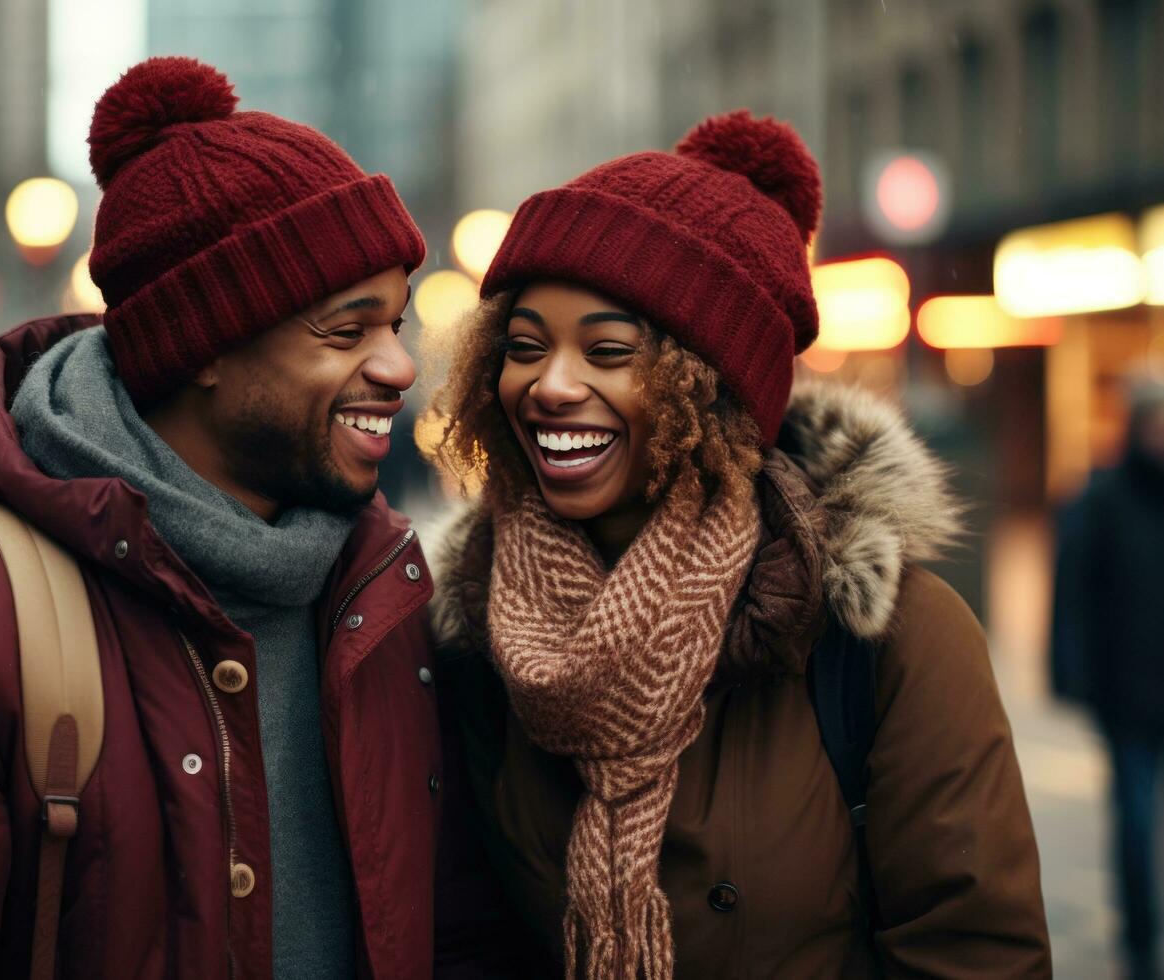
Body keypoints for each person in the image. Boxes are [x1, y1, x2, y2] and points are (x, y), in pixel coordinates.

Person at [0, 57, 441, 979]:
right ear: (204, 345)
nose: (398, 367)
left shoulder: (389, 594)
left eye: (398, 324)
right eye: (348, 329)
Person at [428, 111, 1051, 978]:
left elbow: (973, 954)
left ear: (710, 390)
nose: (550, 385)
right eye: (524, 348)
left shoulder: (885, 639)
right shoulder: (477, 624)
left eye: (608, 351)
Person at [1052, 378, 1164, 980]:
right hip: (1128, 691)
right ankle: (1140, 936)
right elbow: (1072, 593)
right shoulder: (1102, 498)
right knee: (1136, 813)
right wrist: (1071, 674)